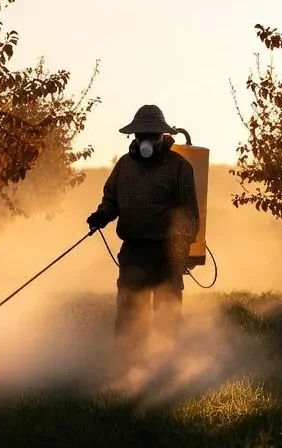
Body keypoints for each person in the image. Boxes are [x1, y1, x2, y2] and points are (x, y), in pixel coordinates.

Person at [87, 104, 200, 368]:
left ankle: (165, 369)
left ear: (162, 137)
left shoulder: (180, 167)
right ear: (134, 138)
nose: (145, 140)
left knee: (167, 318)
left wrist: (180, 251)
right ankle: (126, 368)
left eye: (151, 135)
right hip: (133, 252)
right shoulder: (124, 166)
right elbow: (111, 199)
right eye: (140, 136)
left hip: (167, 254)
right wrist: (102, 215)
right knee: (128, 315)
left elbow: (189, 215)